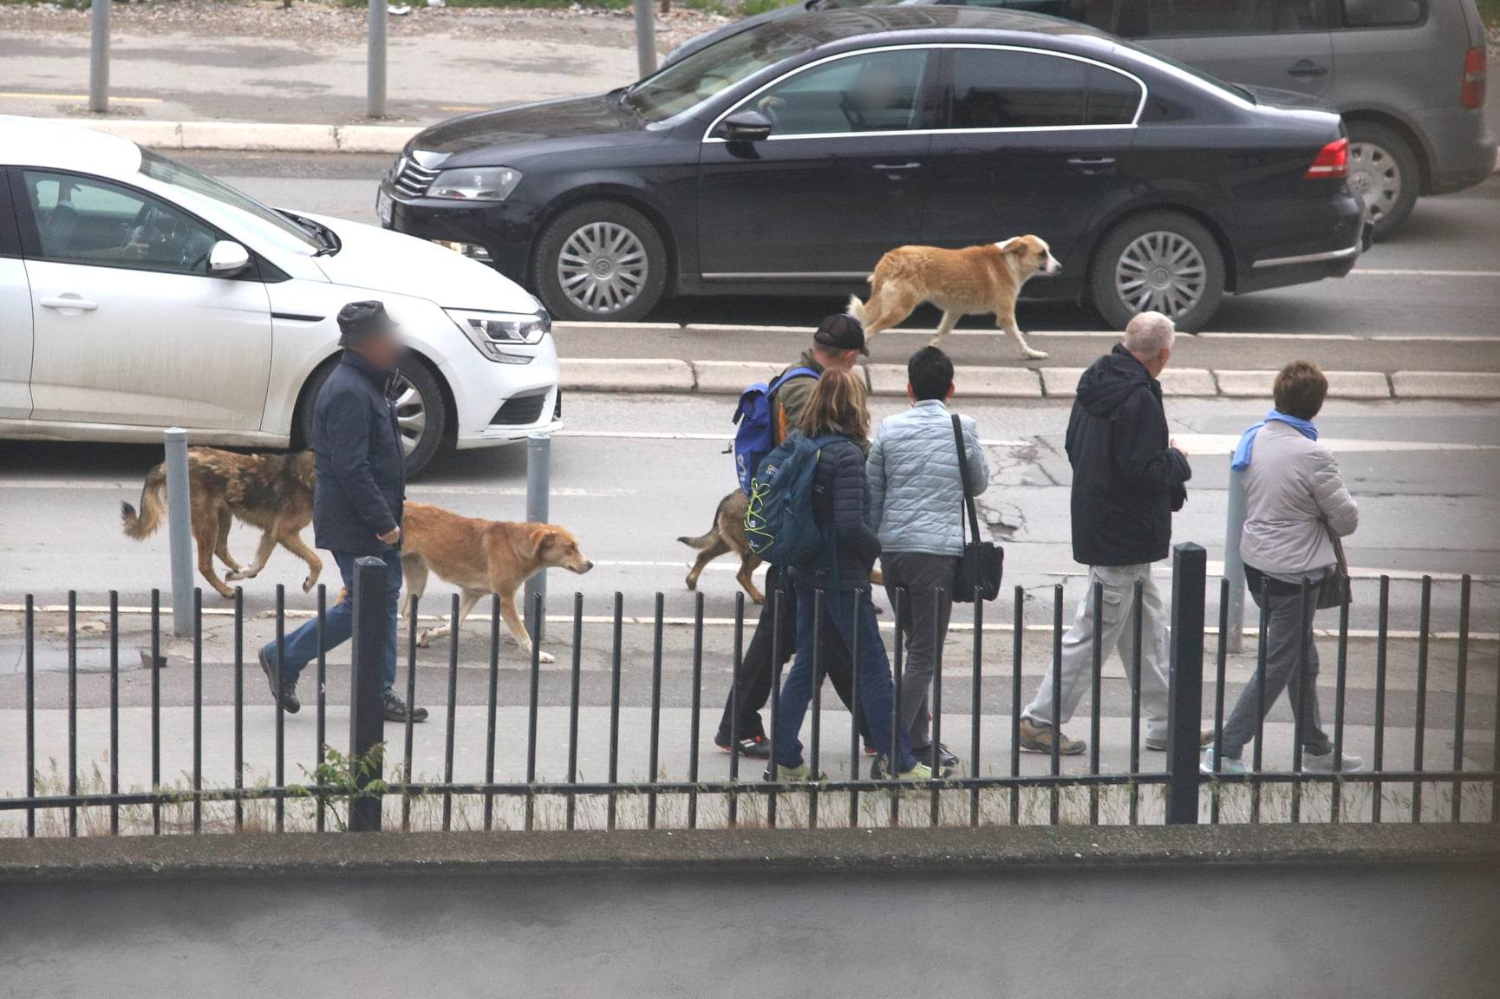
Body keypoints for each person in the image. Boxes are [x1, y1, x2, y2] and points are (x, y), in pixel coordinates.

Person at [1018, 311, 1202, 756]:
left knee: (1147, 633)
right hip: (1126, 533)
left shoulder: (1096, 382)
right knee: (1093, 632)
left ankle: (1168, 723)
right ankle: (1040, 719)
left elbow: (1072, 445)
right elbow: (1143, 468)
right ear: (1164, 353)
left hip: (1105, 524)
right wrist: (1177, 459)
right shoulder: (1139, 398)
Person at [258, 301, 427, 723]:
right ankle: (285, 657)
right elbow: (351, 468)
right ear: (367, 343)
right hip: (357, 522)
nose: (395, 342)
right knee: (366, 604)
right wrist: (383, 523)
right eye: (387, 336)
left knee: (381, 599)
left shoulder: (370, 383)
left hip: (368, 517)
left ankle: (378, 690)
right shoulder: (349, 390)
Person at [714, 315, 872, 758]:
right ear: (847, 356)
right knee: (805, 639)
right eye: (856, 359)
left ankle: (878, 730)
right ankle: (879, 732)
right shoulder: (806, 386)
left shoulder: (799, 377)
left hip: (803, 530)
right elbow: (820, 450)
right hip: (804, 532)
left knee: (814, 639)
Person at [770, 368, 929, 782]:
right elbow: (848, 525)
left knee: (807, 664)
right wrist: (877, 546)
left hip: (804, 570)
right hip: (841, 576)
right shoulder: (847, 455)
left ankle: (785, 757)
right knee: (874, 668)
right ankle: (899, 762)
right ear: (856, 405)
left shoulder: (801, 443)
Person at [1204, 361, 1363, 774]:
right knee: (1279, 663)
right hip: (1295, 572)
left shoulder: (1256, 437)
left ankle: (1317, 749)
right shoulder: (1313, 454)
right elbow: (1345, 520)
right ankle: (1224, 750)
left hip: (1258, 565)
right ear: (1317, 405)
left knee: (1301, 658)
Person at [866, 347, 988, 773]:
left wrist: (876, 546)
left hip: (894, 552)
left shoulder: (889, 427)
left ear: (909, 389)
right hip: (935, 554)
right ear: (951, 388)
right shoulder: (963, 427)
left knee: (912, 644)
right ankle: (892, 746)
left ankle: (917, 742)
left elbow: (873, 491)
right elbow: (978, 484)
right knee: (924, 654)